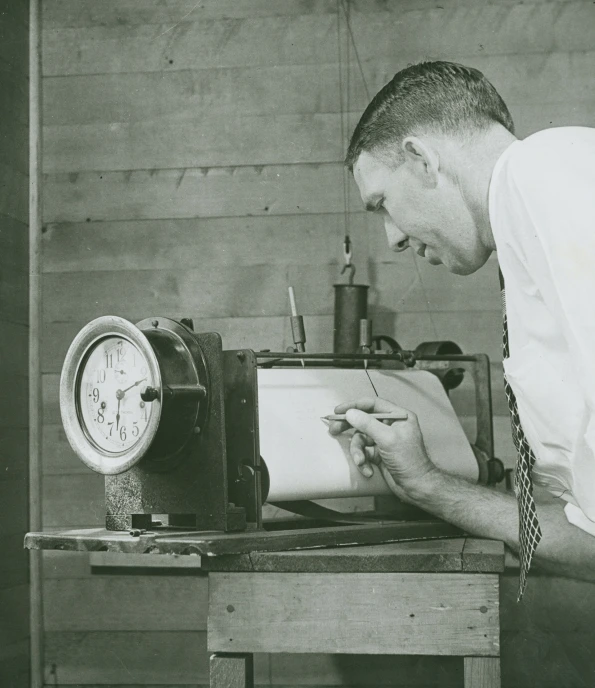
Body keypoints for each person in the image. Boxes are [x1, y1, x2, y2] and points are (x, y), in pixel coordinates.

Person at [329, 61, 595, 591]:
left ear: (422, 160)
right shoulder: (530, 215)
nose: (393, 240)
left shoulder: (545, 171)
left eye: (382, 204)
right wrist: (426, 483)